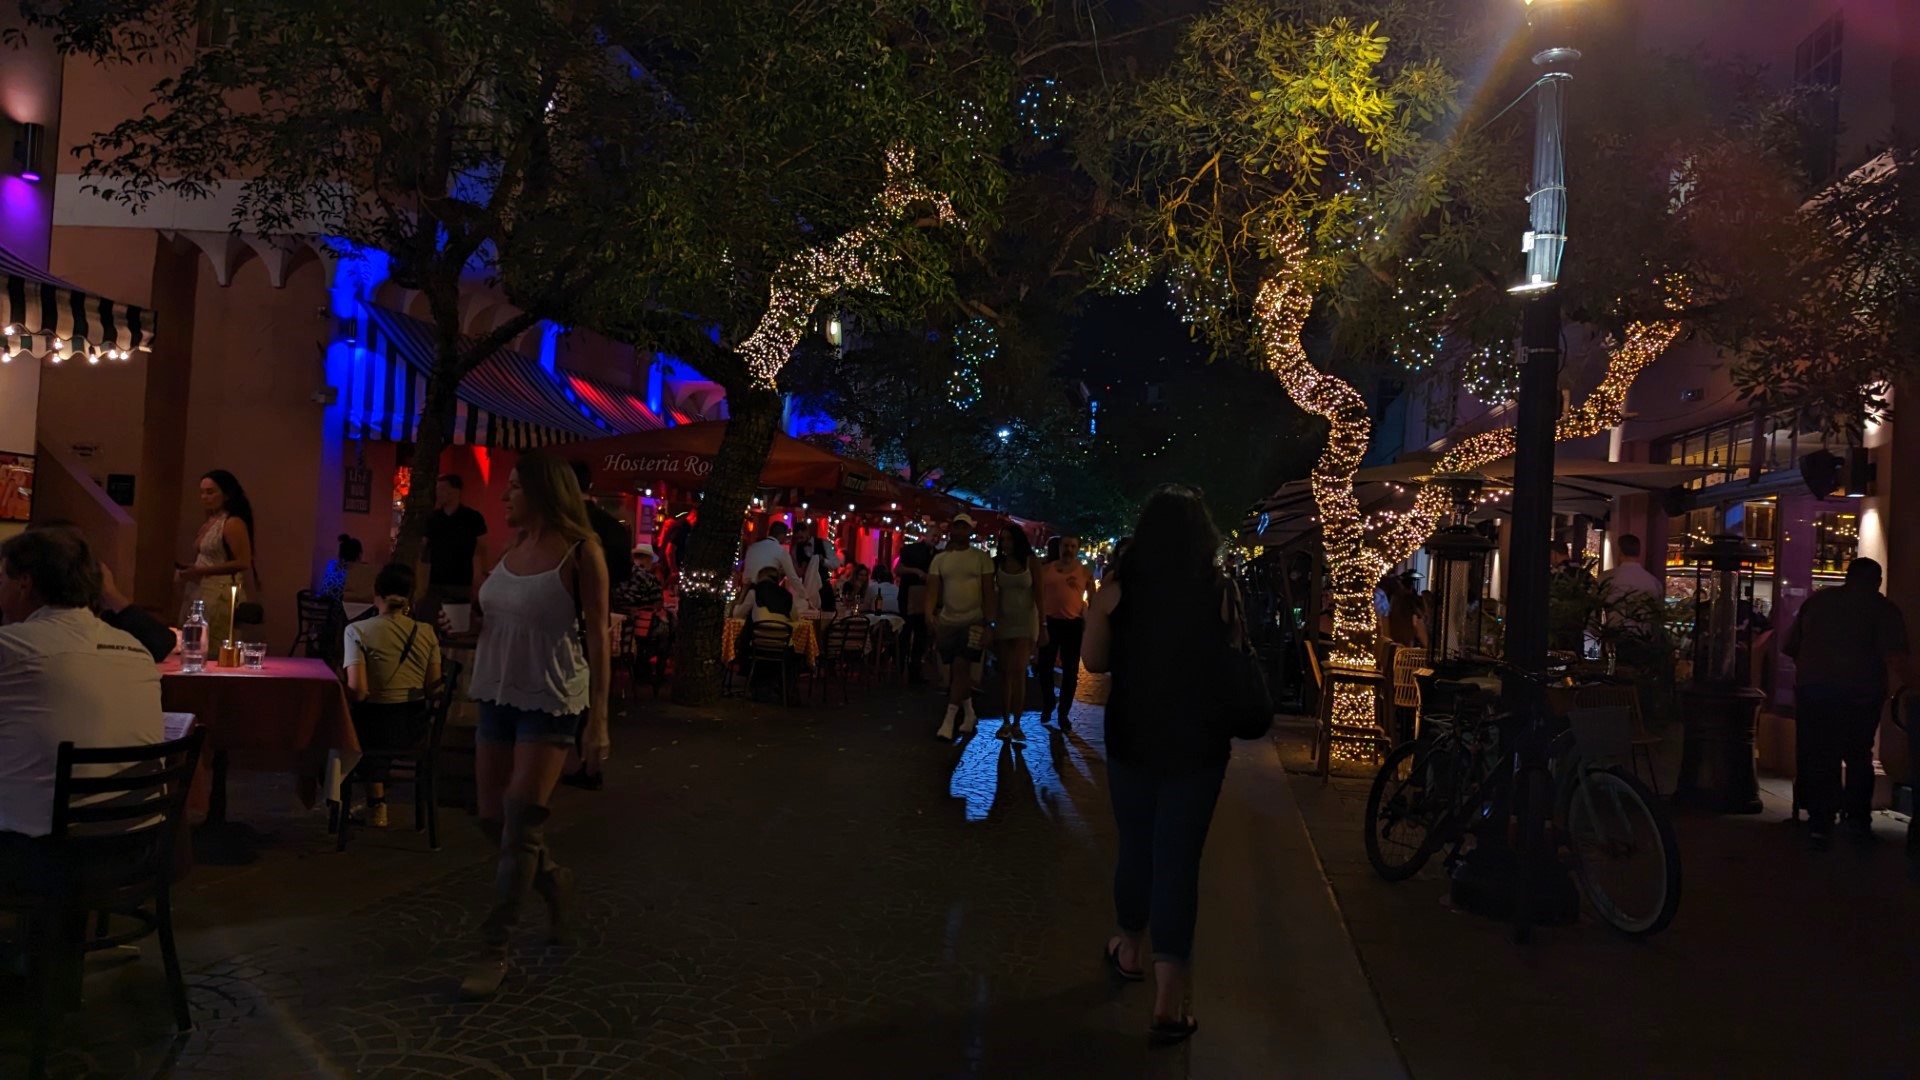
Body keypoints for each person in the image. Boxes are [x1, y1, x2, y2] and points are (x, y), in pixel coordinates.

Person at [1081, 485, 1237, 1046]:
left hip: (1134, 737)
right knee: (1179, 863)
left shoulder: (1117, 592)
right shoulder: (1220, 592)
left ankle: (1129, 948)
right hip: (1199, 744)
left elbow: (1094, 663)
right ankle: (1169, 1005)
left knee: (1137, 846)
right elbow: (1237, 659)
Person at [456, 451, 611, 998]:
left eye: (515, 487)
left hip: (550, 698)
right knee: (489, 818)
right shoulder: (510, 547)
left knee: (519, 821)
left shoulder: (582, 552)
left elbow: (597, 636)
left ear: (544, 491)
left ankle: (493, 947)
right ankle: (552, 876)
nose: (504, 496)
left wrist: (598, 721)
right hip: (496, 691)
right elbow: (496, 611)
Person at [1, 529, 164, 843]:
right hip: (138, 843)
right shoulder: (135, 648)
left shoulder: (11, 647)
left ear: (24, 583)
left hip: (41, 855)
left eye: (0, 579)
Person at [1782, 557, 1910, 850]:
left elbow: (1790, 646)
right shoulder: (1883, 609)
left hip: (1814, 690)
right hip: (1860, 694)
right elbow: (1896, 657)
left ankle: (1819, 820)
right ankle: (1856, 821)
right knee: (1858, 756)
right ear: (1877, 581)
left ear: (1847, 577)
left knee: (1819, 754)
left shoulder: (1819, 602)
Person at [342, 563, 443, 828]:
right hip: (414, 729)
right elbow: (434, 687)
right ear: (411, 596)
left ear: (377, 593)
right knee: (380, 718)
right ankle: (377, 805)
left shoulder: (357, 631)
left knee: (355, 720)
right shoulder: (427, 632)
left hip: (374, 731)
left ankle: (373, 803)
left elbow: (359, 691)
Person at [928, 514, 997, 741]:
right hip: (948, 621)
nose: (959, 531)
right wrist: (929, 614)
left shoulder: (981, 559)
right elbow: (933, 589)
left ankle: (948, 721)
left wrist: (989, 623)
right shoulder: (940, 559)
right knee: (958, 672)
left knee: (960, 667)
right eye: (956, 526)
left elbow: (989, 593)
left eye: (964, 527)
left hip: (973, 620)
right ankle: (969, 713)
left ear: (970, 531)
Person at [176, 469, 260, 648]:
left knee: (213, 642)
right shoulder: (212, 520)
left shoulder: (232, 522)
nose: (205, 497)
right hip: (201, 589)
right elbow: (211, 558)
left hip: (219, 592)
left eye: (211, 492)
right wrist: (190, 568)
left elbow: (243, 561)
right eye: (202, 492)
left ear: (227, 494)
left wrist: (200, 570)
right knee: (194, 641)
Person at [991, 524, 1046, 739]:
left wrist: (1043, 626)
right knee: (1005, 673)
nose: (1005, 544)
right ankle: (1005, 720)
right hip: (1004, 621)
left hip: (1025, 622)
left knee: (1018, 671)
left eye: (1009, 539)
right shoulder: (999, 563)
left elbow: (1039, 595)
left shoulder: (1031, 562)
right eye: (1003, 540)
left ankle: (1016, 721)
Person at [1037, 536, 1094, 729]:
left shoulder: (1084, 572)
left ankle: (1064, 713)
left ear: (1077, 549)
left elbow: (1093, 598)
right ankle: (1049, 701)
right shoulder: (1046, 570)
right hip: (1050, 623)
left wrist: (1091, 621)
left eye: (1072, 546)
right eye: (1065, 546)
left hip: (1073, 625)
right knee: (1044, 667)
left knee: (1070, 671)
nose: (1068, 549)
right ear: (1059, 547)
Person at [420, 474, 490, 627]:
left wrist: (480, 573)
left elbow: (482, 548)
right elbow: (423, 547)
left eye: (443, 489)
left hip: (461, 581)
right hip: (435, 581)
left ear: (456, 491)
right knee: (430, 625)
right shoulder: (433, 518)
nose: (439, 493)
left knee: (457, 627)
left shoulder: (472, 518)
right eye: (438, 489)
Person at [894, 533, 937, 681]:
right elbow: (898, 569)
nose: (935, 538)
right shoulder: (911, 550)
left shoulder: (937, 554)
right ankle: (900, 668)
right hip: (910, 595)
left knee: (920, 635)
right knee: (906, 633)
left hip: (924, 596)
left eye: (938, 535)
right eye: (934, 534)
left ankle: (914, 669)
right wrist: (916, 571)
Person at [790, 521, 841, 617]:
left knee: (828, 617)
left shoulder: (823, 544)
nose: (799, 541)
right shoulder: (795, 549)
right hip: (806, 589)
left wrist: (823, 561)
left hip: (824, 588)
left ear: (807, 532)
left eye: (801, 537)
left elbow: (836, 564)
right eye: (797, 538)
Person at [743, 521, 802, 595]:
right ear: (781, 535)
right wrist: (806, 597)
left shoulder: (752, 547)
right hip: (764, 594)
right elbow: (793, 578)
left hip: (745, 591)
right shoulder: (781, 551)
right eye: (785, 535)